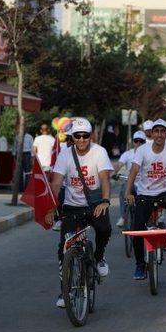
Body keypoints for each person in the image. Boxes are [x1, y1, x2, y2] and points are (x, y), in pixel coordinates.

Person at [45, 117, 113, 308]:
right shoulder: (65, 155)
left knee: (105, 228)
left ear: (90, 136)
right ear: (72, 137)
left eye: (85, 136)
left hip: (95, 204)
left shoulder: (99, 152)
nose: (82, 140)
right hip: (72, 206)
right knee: (63, 248)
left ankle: (99, 257)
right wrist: (52, 207)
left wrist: (106, 201)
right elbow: (57, 183)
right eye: (78, 136)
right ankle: (64, 290)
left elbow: (104, 179)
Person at [126, 119, 166, 280]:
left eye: (162, 131)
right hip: (145, 194)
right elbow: (134, 172)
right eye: (156, 131)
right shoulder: (142, 150)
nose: (159, 134)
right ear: (151, 133)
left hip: (165, 192)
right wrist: (129, 192)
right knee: (137, 230)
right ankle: (139, 265)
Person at [115, 130, 147, 227]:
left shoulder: (149, 154)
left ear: (144, 142)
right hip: (131, 183)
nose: (138, 143)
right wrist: (113, 173)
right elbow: (119, 164)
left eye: (141, 141)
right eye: (136, 141)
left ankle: (149, 219)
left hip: (144, 184)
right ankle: (123, 217)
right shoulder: (127, 154)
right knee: (123, 190)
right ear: (133, 142)